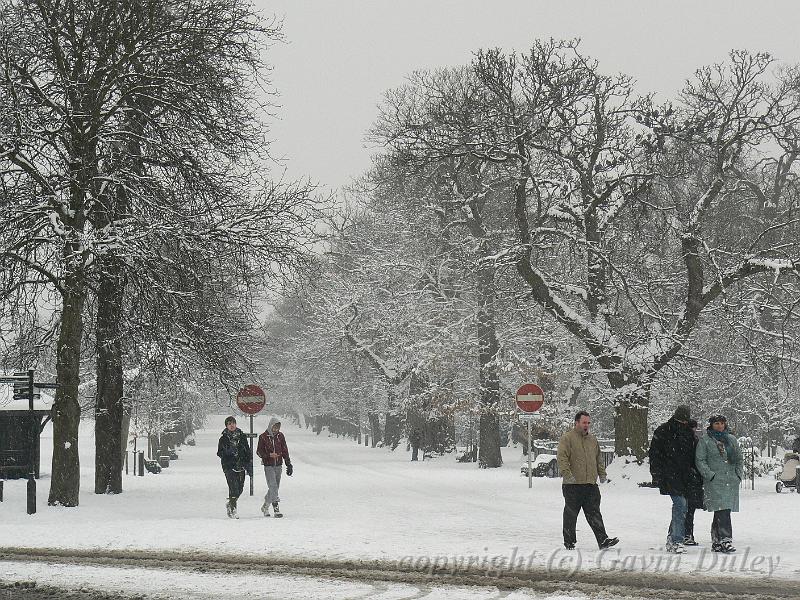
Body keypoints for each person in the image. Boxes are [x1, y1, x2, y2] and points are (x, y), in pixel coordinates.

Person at [556, 410, 619, 550]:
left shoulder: (592, 440)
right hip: (572, 485)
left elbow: (598, 459)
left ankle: (603, 540)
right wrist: (568, 475)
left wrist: (602, 474)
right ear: (576, 422)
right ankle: (569, 541)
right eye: (584, 422)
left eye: (588, 422)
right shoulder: (567, 438)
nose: (587, 425)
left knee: (594, 512)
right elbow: (562, 458)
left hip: (590, 484)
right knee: (571, 514)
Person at [648, 404, 696, 553]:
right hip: (672, 475)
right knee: (681, 505)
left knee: (681, 507)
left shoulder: (669, 431)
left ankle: (673, 537)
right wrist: (657, 474)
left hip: (682, 475)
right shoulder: (666, 431)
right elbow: (655, 454)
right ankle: (676, 540)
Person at [695, 414, 743, 553]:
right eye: (717, 423)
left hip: (730, 480)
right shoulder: (705, 441)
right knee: (722, 509)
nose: (720, 426)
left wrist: (738, 475)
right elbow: (700, 460)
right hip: (715, 481)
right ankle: (726, 540)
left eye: (722, 423)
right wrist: (710, 475)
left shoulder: (732, 439)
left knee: (722, 509)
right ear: (711, 425)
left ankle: (717, 541)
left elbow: (739, 459)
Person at [216, 416, 253, 519]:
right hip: (229, 466)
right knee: (233, 488)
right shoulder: (223, 438)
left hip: (241, 465)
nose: (231, 425)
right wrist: (227, 452)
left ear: (236, 424)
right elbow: (219, 453)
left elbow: (247, 450)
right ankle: (233, 510)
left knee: (240, 489)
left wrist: (249, 464)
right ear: (226, 426)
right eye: (229, 424)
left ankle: (230, 503)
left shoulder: (242, 436)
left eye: (233, 423)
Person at [257, 417, 293, 517]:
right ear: (270, 426)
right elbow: (259, 451)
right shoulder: (263, 437)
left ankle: (265, 506)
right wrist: (268, 455)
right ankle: (276, 508)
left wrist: (288, 464)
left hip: (278, 465)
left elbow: (285, 450)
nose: (276, 430)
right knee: (273, 486)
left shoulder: (280, 436)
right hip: (268, 465)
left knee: (274, 487)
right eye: (274, 427)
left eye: (278, 428)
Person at [683, 419, 704, 546]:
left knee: (685, 509)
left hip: (688, 479)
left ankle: (685, 534)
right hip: (692, 479)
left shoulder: (693, 441)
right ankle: (687, 534)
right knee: (689, 509)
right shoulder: (695, 441)